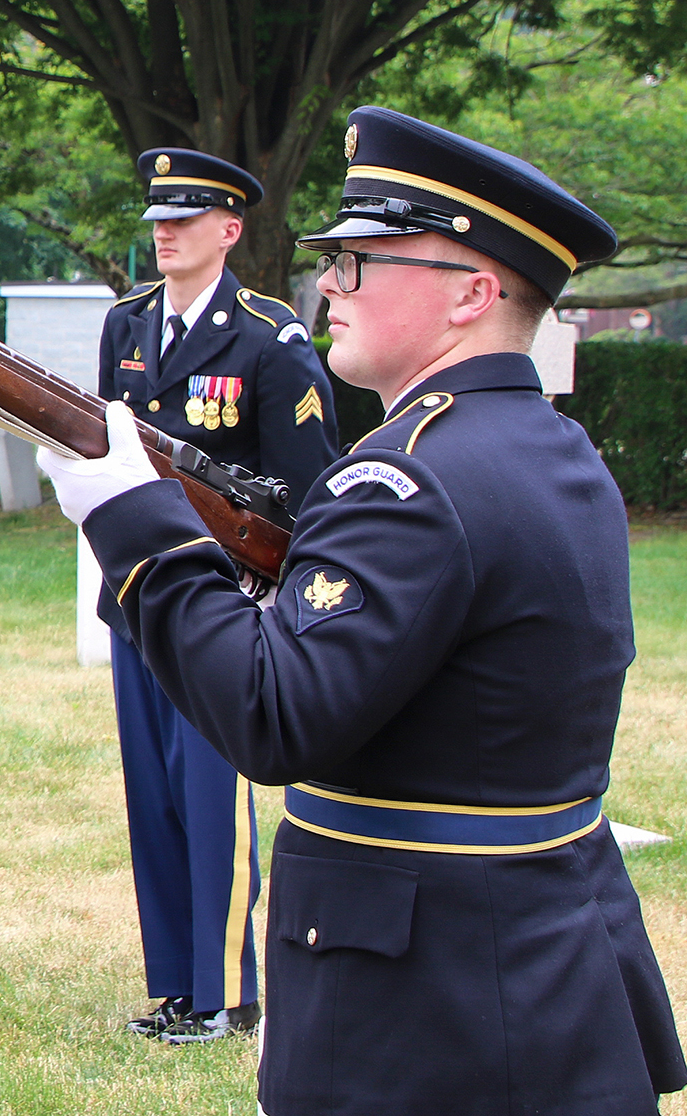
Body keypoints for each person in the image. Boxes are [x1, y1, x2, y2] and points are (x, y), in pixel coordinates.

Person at [43, 106, 685, 1114]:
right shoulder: (555, 449)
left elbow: (271, 714)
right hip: (543, 962)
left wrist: (140, 527)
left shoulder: (406, 478)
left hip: (423, 1002)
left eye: (363, 261)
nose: (330, 283)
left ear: (473, 293)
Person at [93, 148, 337, 1043]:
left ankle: (227, 992)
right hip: (138, 595)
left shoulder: (269, 338)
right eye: (158, 218)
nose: (164, 232)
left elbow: (307, 488)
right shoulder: (126, 327)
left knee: (209, 796)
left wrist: (280, 595)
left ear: (229, 232)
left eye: (184, 220)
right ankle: (176, 985)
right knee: (152, 794)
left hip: (225, 598)